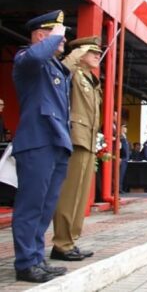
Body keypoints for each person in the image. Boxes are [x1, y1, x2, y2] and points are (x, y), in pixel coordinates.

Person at [11, 10, 72, 282]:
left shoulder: (55, 67)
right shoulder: (27, 58)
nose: (64, 39)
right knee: (31, 205)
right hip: (37, 142)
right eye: (58, 33)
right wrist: (53, 37)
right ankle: (25, 263)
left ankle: (36, 257)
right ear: (40, 35)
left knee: (46, 207)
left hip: (57, 142)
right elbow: (37, 55)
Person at [51, 36, 102, 263]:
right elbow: (62, 70)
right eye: (92, 51)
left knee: (81, 197)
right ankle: (61, 243)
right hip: (75, 139)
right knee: (69, 194)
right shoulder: (72, 73)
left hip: (89, 140)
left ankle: (71, 241)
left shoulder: (91, 80)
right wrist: (76, 54)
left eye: (99, 53)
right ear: (80, 53)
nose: (97, 56)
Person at [119, 124, 130, 193]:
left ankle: (121, 188)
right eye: (124, 127)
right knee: (120, 174)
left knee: (123, 174)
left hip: (126, 158)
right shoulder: (121, 137)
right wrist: (120, 157)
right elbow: (120, 148)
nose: (126, 128)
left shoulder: (124, 137)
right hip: (122, 158)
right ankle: (119, 188)